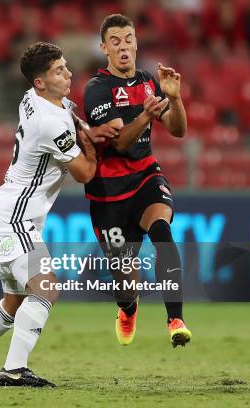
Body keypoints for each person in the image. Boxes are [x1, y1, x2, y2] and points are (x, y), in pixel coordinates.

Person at [0, 42, 116, 387]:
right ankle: (14, 370)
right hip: (15, 220)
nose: (68, 74)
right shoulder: (49, 123)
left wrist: (86, 131)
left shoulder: (34, 100)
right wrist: (92, 150)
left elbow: (70, 117)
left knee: (15, 301)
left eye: (66, 66)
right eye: (58, 71)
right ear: (40, 82)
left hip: (8, 214)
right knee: (47, 288)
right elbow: (82, 173)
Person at [82, 14, 192, 348]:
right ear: (104, 48)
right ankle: (128, 309)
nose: (123, 46)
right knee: (126, 284)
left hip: (146, 176)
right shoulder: (97, 89)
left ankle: (175, 319)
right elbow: (118, 142)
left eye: (128, 38)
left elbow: (178, 130)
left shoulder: (148, 81)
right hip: (108, 194)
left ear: (136, 42)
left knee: (162, 232)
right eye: (115, 40)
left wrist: (173, 98)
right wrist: (144, 116)